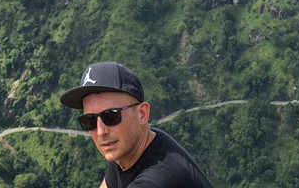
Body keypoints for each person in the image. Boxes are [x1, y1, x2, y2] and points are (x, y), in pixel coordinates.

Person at [60, 61, 213, 188]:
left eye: (111, 116)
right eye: (90, 120)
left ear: (142, 114)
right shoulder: (128, 149)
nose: (100, 131)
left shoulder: (155, 180)